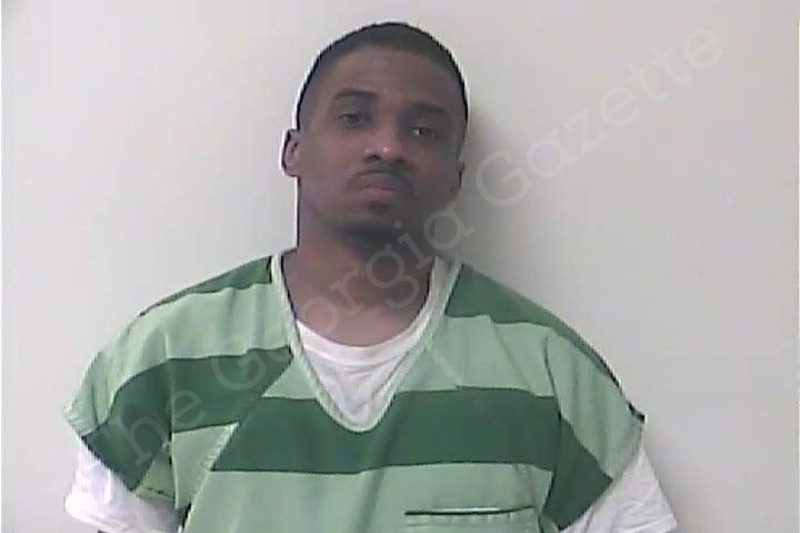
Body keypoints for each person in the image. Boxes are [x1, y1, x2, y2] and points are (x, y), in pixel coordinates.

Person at [64, 21, 678, 533]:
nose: (388, 147)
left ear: (455, 176)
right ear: (294, 151)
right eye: (355, 118)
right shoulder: (165, 358)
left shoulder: (551, 374)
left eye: (423, 130)